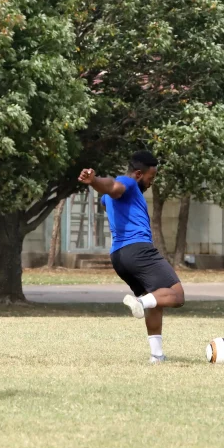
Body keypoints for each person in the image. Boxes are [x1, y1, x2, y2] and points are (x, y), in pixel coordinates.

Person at [78, 151, 185, 363]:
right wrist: (95, 180)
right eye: (150, 178)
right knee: (177, 295)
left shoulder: (111, 198)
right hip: (138, 250)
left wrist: (96, 185)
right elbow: (113, 186)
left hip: (119, 257)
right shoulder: (127, 182)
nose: (151, 183)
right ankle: (140, 302)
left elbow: (107, 194)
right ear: (138, 174)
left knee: (156, 300)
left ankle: (156, 355)